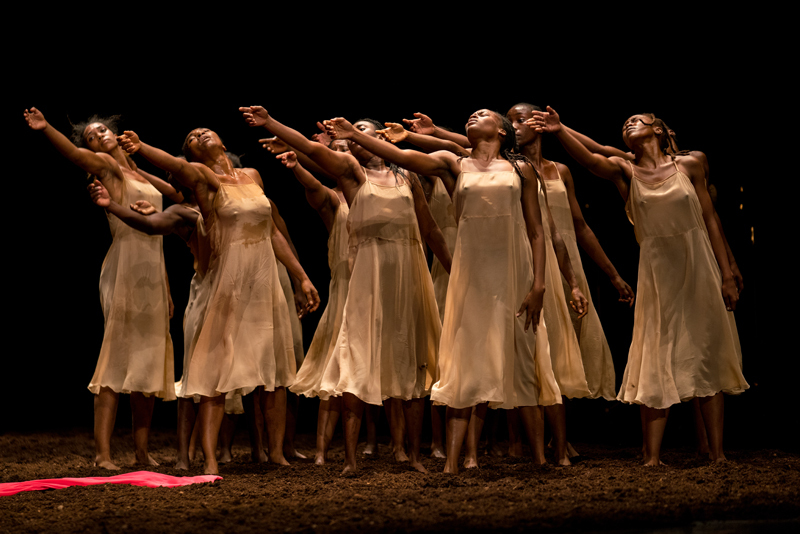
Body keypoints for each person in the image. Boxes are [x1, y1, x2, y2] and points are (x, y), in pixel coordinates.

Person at [325, 109, 563, 474]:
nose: (473, 117)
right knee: (465, 359)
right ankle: (453, 463)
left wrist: (540, 283)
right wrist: (355, 136)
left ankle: (540, 459)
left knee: (523, 355)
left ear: (500, 129)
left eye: (482, 114)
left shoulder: (520, 169)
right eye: (470, 116)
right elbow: (401, 157)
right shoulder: (455, 164)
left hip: (513, 269)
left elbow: (535, 231)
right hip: (473, 272)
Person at [530, 107, 748, 465]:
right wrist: (559, 129)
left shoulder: (691, 164)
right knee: (655, 351)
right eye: (625, 124)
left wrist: (727, 272)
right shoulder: (625, 171)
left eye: (637, 119)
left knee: (707, 350)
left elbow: (710, 219)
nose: (629, 123)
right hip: (658, 271)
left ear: (659, 129)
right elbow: (591, 156)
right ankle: (652, 456)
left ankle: (717, 455)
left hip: (698, 265)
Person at [241, 106, 452, 474]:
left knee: (413, 359)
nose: (357, 142)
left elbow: (431, 231)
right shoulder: (354, 175)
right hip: (370, 272)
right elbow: (313, 148)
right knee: (357, 358)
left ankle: (414, 455)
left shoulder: (408, 178)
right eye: (353, 139)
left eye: (362, 135)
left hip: (409, 270)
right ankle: (351, 460)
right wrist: (271, 122)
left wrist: (456, 270)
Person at [117, 127, 320, 475]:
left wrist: (301, 276)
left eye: (204, 131)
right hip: (229, 280)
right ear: (192, 157)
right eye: (192, 137)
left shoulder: (252, 176)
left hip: (264, 279)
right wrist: (141, 148)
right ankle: (209, 458)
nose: (198, 135)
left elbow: (271, 230)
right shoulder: (204, 179)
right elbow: (176, 169)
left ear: (224, 142)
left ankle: (276, 453)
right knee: (216, 369)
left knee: (272, 368)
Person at [24, 107, 174, 470]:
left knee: (149, 362)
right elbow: (74, 155)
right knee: (117, 357)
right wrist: (46, 130)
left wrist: (166, 287)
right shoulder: (105, 169)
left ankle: (141, 452)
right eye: (91, 136)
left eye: (102, 130)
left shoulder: (135, 171)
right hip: (124, 264)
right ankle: (102, 454)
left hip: (153, 268)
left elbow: (174, 193)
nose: (98, 136)